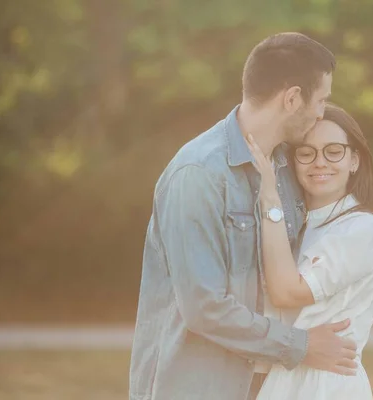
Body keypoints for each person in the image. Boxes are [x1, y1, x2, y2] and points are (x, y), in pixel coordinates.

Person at [129, 33, 359, 400]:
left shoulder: (287, 170)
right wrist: (300, 345)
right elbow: (203, 307)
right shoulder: (198, 174)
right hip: (198, 387)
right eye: (321, 100)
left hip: (266, 387)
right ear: (292, 98)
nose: (321, 112)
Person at [245, 103, 373, 400]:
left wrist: (269, 196)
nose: (319, 162)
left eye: (333, 151)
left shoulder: (362, 229)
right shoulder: (297, 228)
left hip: (325, 386)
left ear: (354, 160)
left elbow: (287, 293)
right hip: (278, 382)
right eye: (307, 152)